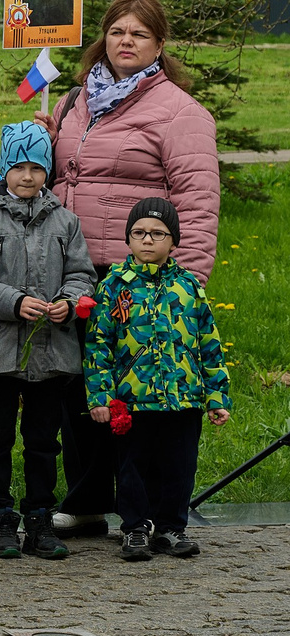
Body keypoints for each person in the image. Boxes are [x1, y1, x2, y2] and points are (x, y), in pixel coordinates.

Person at [44, 0, 221, 541]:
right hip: (76, 270)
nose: (126, 41)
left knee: (138, 396)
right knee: (81, 387)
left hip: (140, 277)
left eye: (139, 34)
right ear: (104, 37)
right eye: (118, 31)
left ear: (159, 45)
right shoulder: (77, 100)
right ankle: (88, 499)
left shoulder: (179, 113)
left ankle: (145, 509)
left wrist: (183, 284)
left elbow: (196, 201)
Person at [0, 119, 94, 561]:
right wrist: (15, 302)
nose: (27, 176)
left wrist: (69, 302)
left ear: (47, 172)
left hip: (51, 351)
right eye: (18, 166)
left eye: (37, 167)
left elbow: (82, 275)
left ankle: (39, 514)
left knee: (43, 440)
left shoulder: (66, 221)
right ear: (5, 168)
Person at [85, 197, 228, 561]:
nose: (147, 240)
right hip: (132, 399)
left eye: (158, 233)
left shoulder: (190, 287)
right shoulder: (114, 286)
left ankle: (170, 527)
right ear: (128, 239)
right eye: (139, 233)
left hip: (182, 398)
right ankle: (135, 528)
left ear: (174, 241)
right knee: (132, 467)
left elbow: (209, 344)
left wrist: (216, 397)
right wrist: (100, 396)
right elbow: (99, 345)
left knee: (179, 466)